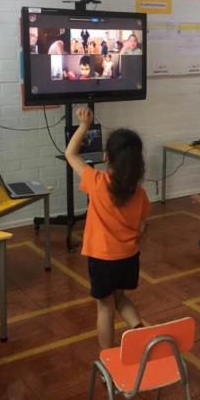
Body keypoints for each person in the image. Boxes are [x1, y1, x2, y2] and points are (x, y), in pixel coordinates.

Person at [65, 107, 152, 348]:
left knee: (105, 309)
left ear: (106, 158)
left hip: (102, 260)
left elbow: (70, 154)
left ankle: (108, 360)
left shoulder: (97, 182)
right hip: (128, 258)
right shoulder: (141, 194)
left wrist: (83, 126)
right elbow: (143, 229)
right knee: (120, 298)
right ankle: (139, 330)